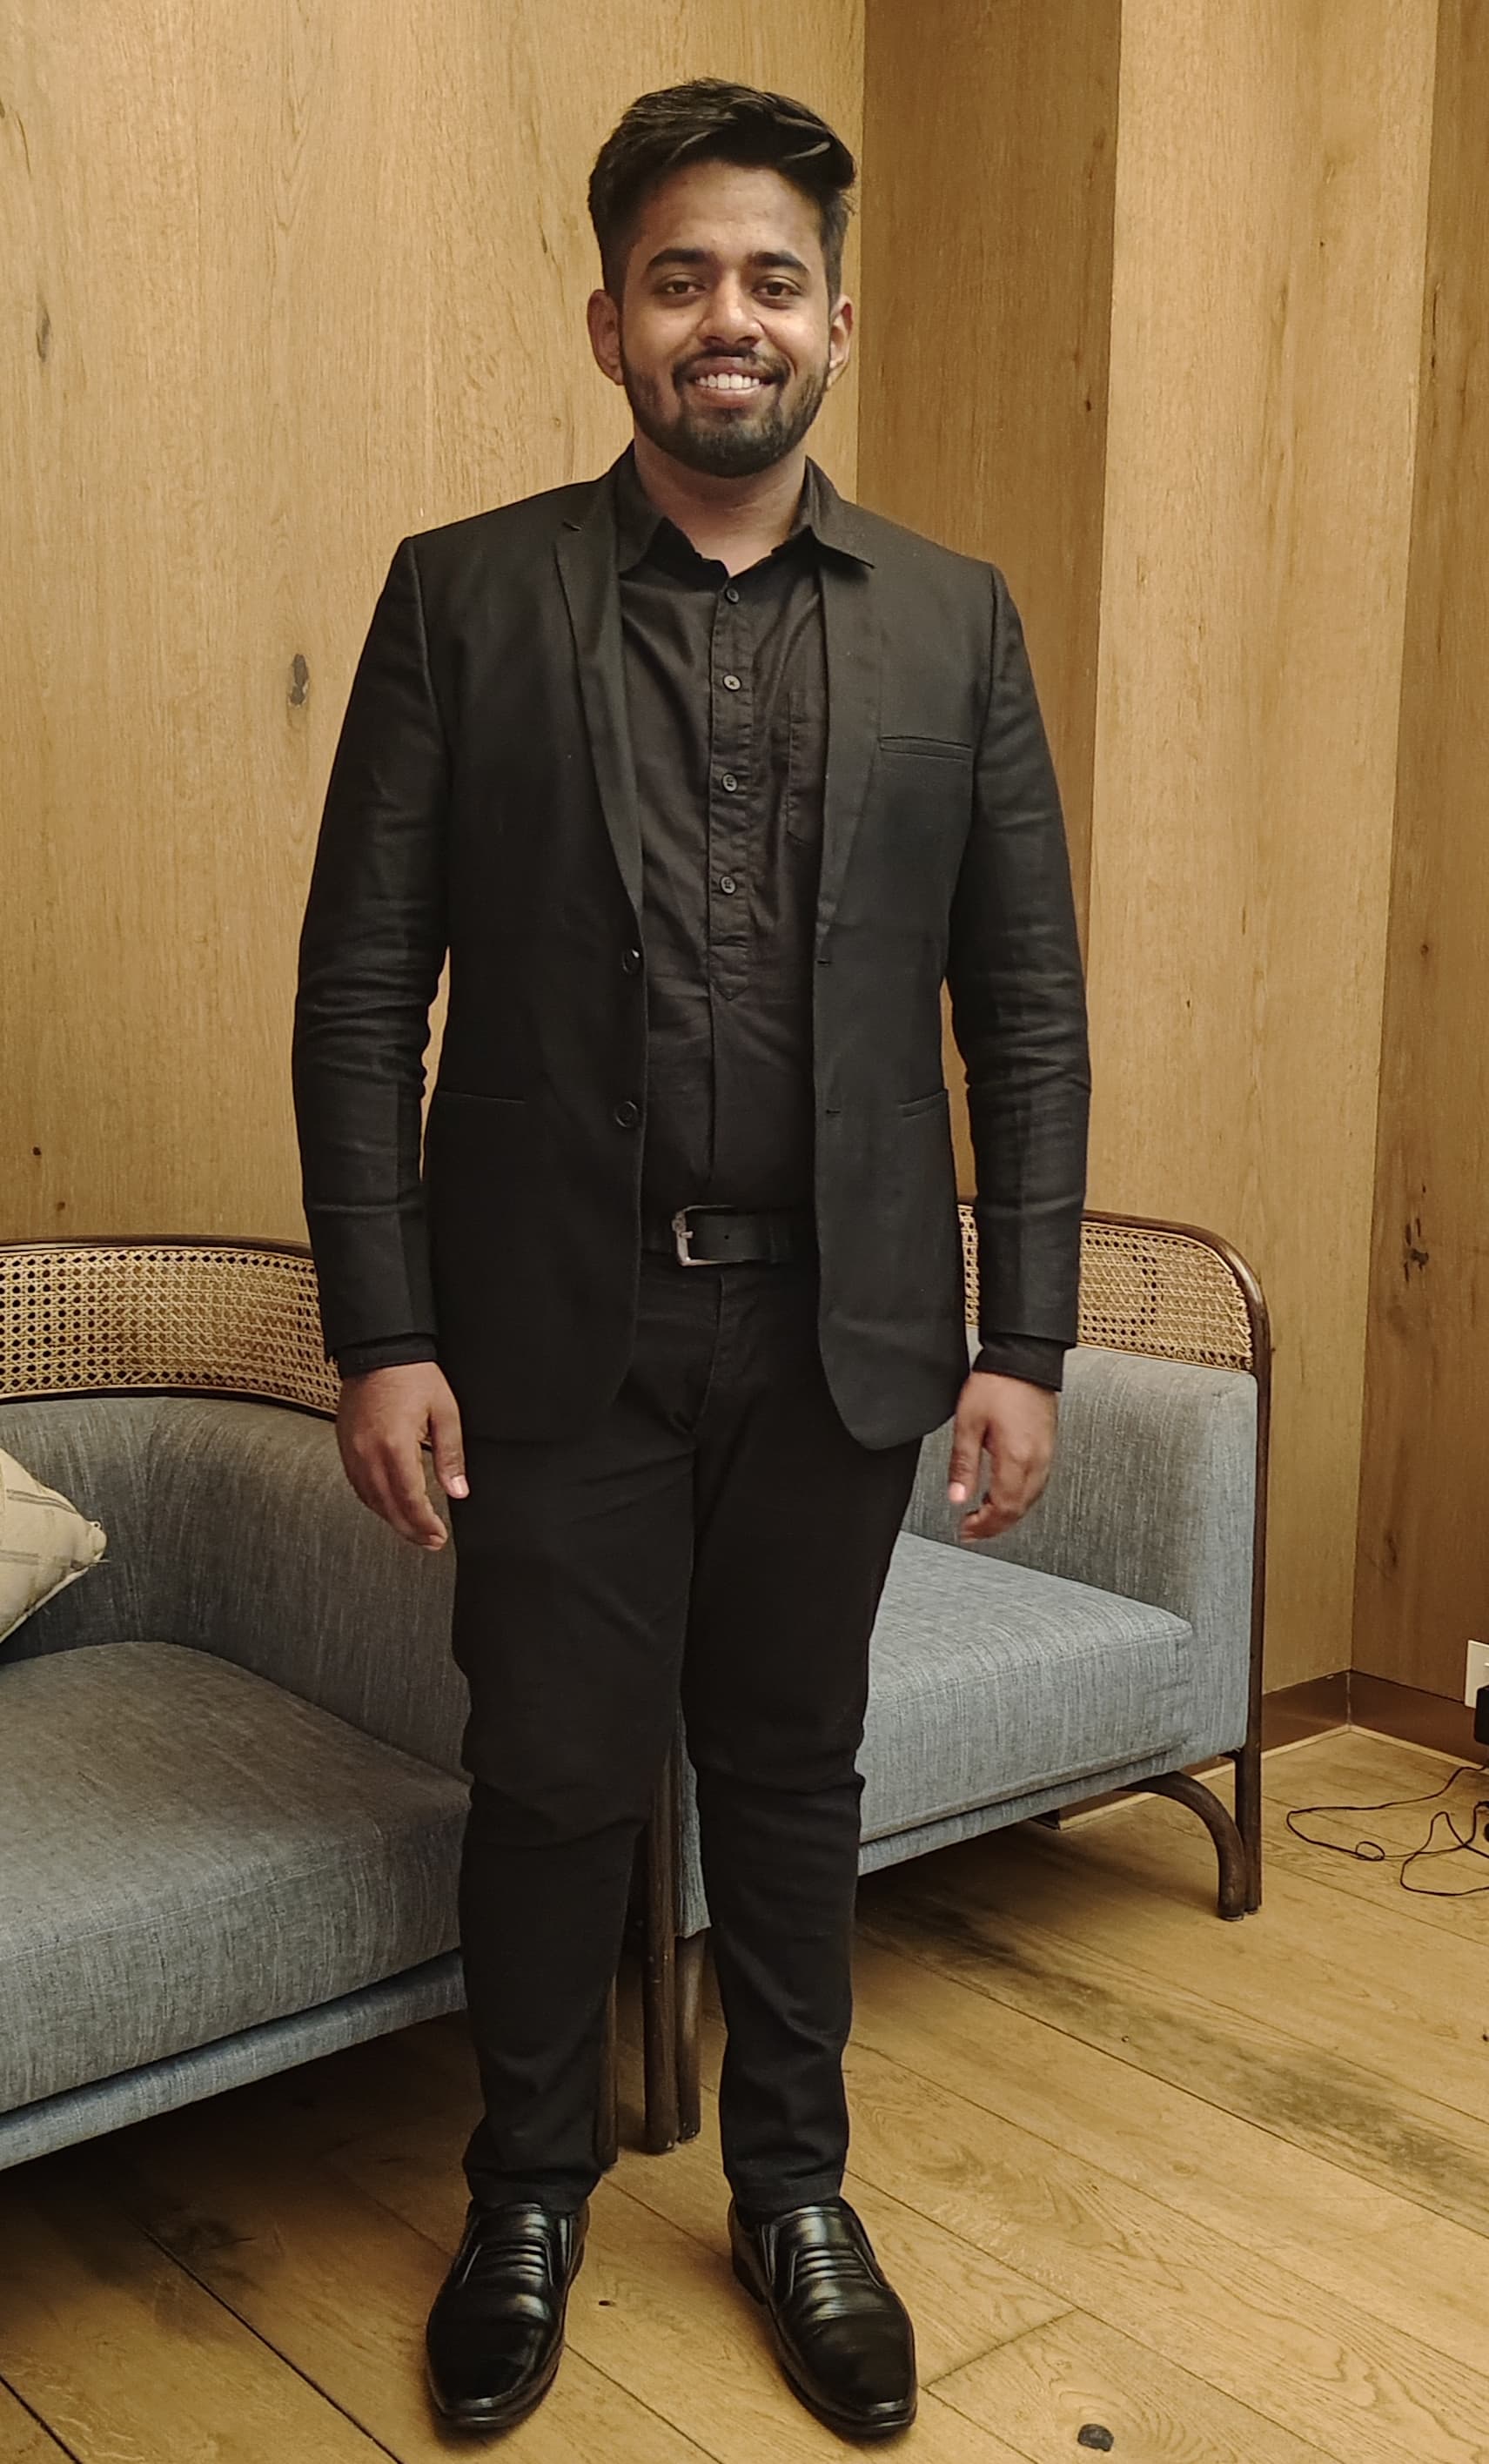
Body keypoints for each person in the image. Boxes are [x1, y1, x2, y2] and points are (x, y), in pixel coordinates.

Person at [292, 77, 1090, 2441]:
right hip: (553, 1326)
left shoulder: (955, 619)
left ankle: (794, 2191)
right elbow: (363, 991)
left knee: (795, 1773)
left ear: (835, 321)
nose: (725, 318)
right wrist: (381, 1329)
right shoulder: (463, 596)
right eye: (678, 278)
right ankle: (525, 2194)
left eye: (769, 278)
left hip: (844, 1327)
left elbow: (1024, 1006)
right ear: (608, 322)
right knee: (551, 1778)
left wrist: (1028, 1334)